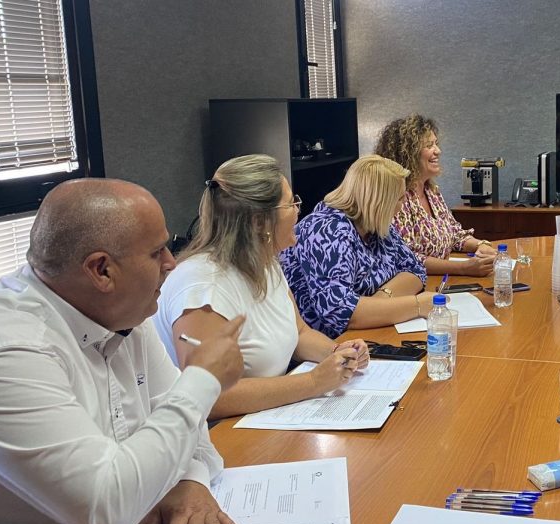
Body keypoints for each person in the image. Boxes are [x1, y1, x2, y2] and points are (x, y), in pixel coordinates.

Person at [0, 179, 246, 524]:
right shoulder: (0, 350)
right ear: (101, 270)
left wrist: (189, 482)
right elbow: (107, 508)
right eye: (156, 252)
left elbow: (192, 436)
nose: (172, 264)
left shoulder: (120, 311)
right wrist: (202, 379)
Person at [155, 155, 370, 420]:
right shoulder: (202, 285)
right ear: (259, 222)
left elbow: (299, 332)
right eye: (291, 202)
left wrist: (338, 354)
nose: (298, 210)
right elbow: (209, 397)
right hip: (219, 435)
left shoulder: (265, 262)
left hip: (266, 418)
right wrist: (314, 382)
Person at [280, 155, 436, 338]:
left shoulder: (375, 225)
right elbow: (341, 312)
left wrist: (381, 300)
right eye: (400, 199)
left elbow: (415, 270)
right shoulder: (329, 230)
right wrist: (416, 305)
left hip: (366, 334)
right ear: (379, 202)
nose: (402, 207)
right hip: (326, 346)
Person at [374, 114, 497, 277]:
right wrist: (464, 268)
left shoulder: (431, 192)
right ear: (407, 153)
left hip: (442, 280)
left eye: (436, 144)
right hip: (416, 286)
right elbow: (405, 257)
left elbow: (455, 234)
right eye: (429, 145)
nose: (438, 151)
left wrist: (480, 245)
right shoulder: (397, 197)